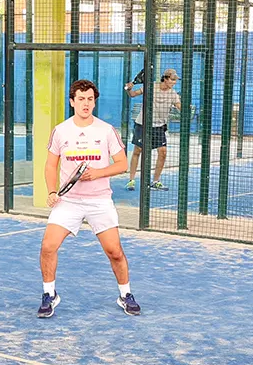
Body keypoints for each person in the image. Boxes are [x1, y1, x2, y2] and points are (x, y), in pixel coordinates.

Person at [38, 79, 141, 318]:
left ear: (94, 103)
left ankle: (125, 294)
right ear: (72, 102)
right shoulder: (61, 130)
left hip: (99, 201)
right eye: (81, 99)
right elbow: (50, 165)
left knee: (114, 251)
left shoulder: (106, 131)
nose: (86, 103)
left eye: (90, 99)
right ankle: (49, 294)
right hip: (69, 202)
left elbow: (122, 164)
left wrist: (97, 173)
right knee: (48, 247)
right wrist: (52, 191)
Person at [124, 68, 182, 191]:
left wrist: (185, 109)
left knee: (163, 152)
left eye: (175, 80)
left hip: (159, 127)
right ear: (165, 78)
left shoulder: (173, 94)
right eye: (172, 79)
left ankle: (155, 181)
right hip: (143, 124)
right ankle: (131, 180)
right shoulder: (150, 87)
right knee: (137, 151)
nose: (174, 82)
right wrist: (129, 89)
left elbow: (179, 107)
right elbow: (133, 94)